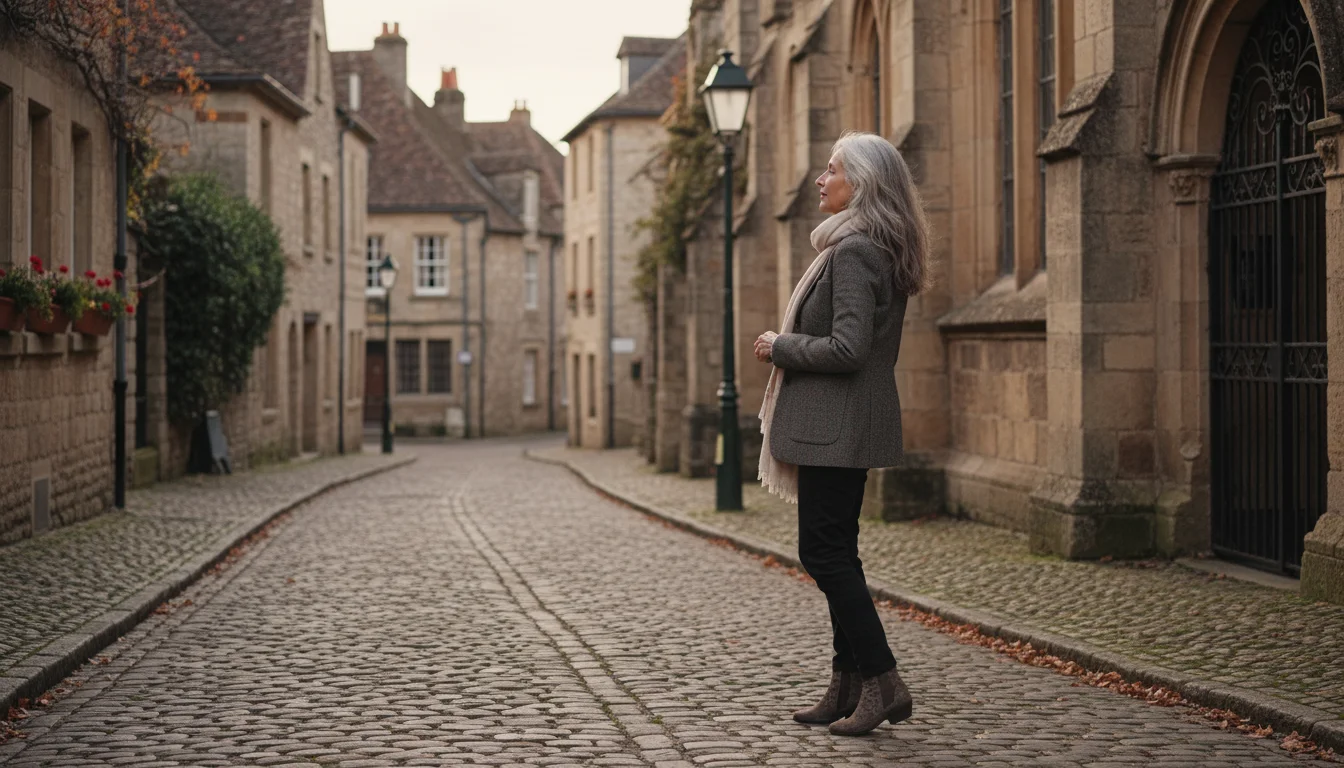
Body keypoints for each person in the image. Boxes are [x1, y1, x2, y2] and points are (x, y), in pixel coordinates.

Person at [754, 131, 931, 736]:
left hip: (837, 425)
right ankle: (847, 685)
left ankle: (883, 681)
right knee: (839, 552)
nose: (820, 179)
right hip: (842, 424)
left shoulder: (854, 252)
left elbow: (849, 347)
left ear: (863, 185)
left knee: (823, 553)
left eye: (832, 170)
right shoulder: (864, 247)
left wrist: (782, 346)